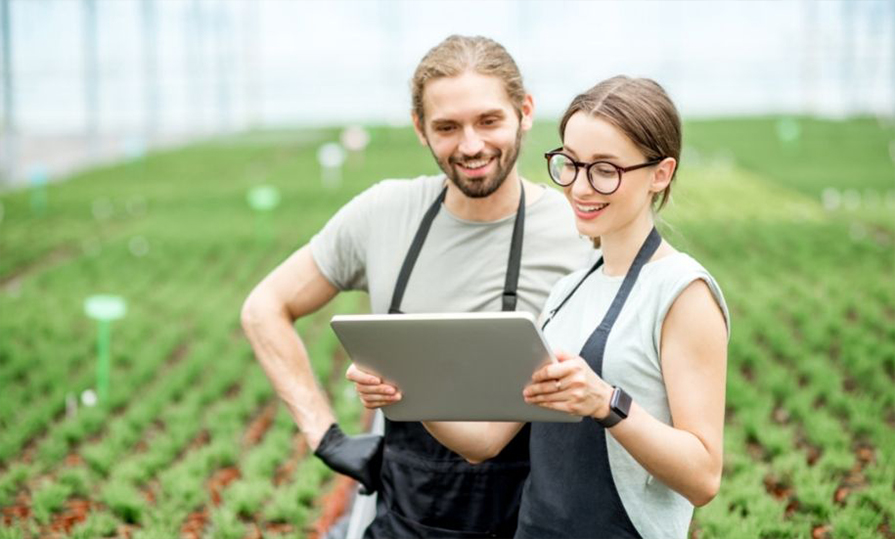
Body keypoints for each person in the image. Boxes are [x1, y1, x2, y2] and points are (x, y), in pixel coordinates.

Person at [240, 35, 592, 538]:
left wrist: (409, 386)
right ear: (420, 129)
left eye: (488, 121)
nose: (470, 146)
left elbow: (487, 442)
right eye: (447, 127)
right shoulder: (383, 214)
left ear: (525, 111)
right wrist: (327, 437)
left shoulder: (575, 232)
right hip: (407, 518)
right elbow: (263, 308)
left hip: (532, 519)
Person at [362, 76, 730, 538]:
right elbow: (485, 441)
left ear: (660, 173)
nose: (579, 187)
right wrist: (404, 386)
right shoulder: (568, 291)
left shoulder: (682, 293)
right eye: (570, 164)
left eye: (605, 169)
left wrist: (605, 403)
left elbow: (703, 476)